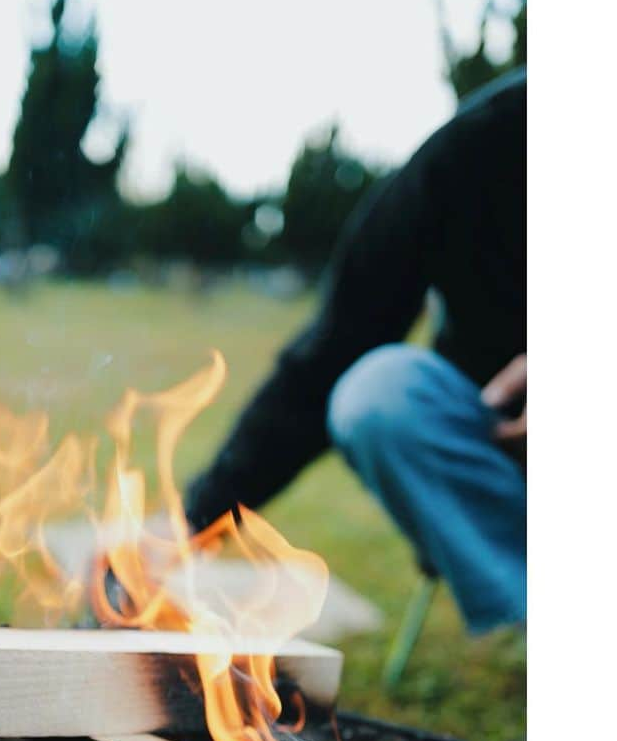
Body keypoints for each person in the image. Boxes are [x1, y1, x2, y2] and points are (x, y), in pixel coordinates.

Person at [185, 69, 526, 635]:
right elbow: (332, 352)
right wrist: (192, 519)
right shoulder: (473, 152)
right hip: (508, 454)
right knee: (377, 393)